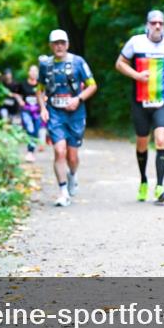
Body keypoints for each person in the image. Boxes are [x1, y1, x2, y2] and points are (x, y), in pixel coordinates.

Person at [114, 10, 164, 203]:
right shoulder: (136, 42)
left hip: (163, 100)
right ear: (147, 25)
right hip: (140, 101)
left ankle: (160, 187)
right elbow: (120, 63)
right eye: (153, 23)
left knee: (161, 139)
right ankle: (143, 180)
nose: (157, 26)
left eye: (160, 23)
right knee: (142, 142)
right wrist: (136, 75)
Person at [37, 29, 97, 207]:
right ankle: (63, 191)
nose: (59, 46)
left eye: (62, 43)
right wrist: (43, 108)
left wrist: (78, 99)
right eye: (56, 43)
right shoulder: (45, 65)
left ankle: (72, 175)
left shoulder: (78, 62)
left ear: (67, 44)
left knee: (72, 156)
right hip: (55, 113)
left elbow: (92, 86)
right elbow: (39, 89)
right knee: (59, 151)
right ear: (51, 45)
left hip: (76, 114)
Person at [18, 65, 41, 163]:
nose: (33, 73)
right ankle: (29, 152)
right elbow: (17, 94)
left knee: (35, 131)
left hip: (37, 111)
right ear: (28, 72)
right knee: (30, 129)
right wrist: (20, 101)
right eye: (32, 71)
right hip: (26, 111)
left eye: (35, 71)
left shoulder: (40, 85)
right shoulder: (23, 84)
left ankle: (31, 151)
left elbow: (46, 95)